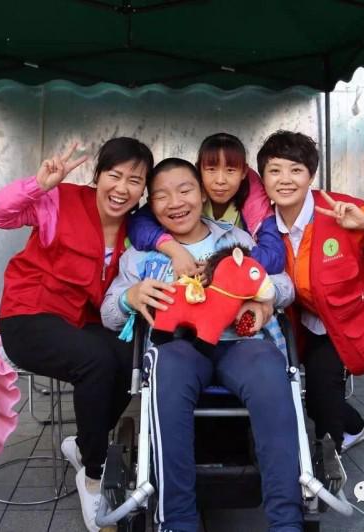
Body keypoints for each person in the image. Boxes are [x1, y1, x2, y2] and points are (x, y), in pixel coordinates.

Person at [102, 158, 303, 532]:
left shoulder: (236, 240)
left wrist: (262, 300)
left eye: (184, 190)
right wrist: (131, 295)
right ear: (150, 204)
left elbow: (285, 285)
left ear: (202, 193)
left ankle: (287, 522)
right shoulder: (140, 256)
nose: (175, 202)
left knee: (272, 370)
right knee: (166, 369)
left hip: (239, 344)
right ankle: (178, 521)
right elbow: (109, 314)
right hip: (179, 348)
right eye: (161, 196)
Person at [0, 137, 153, 531]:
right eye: (115, 175)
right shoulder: (60, 199)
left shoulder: (137, 227)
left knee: (135, 356)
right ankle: (93, 476)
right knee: (93, 361)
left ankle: (80, 444)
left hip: (83, 321)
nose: (122, 188)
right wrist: (37, 185)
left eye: (135, 180)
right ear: (98, 176)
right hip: (29, 317)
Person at [257, 131, 364, 454]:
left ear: (311, 176)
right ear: (263, 178)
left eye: (296, 170)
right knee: (312, 398)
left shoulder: (341, 212)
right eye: (275, 170)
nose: (285, 180)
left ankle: (327, 462)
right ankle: (356, 427)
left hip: (350, 324)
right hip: (305, 324)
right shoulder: (264, 227)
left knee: (321, 392)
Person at [128, 132, 285, 278]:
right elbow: (139, 224)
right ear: (199, 170)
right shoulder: (185, 195)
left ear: (244, 171)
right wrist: (174, 250)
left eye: (230, 170)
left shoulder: (254, 196)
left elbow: (275, 258)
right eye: (211, 169)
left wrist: (224, 262)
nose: (220, 180)